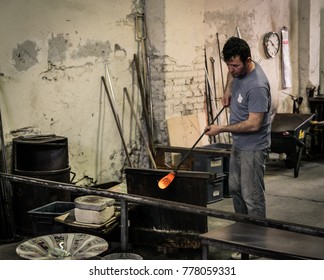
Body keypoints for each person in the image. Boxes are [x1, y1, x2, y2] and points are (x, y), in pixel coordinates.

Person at [205, 36, 271, 220]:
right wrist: (228, 90)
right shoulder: (238, 71)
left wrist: (221, 129)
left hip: (254, 147)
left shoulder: (257, 86)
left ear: (248, 60)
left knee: (252, 197)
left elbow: (254, 123)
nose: (231, 70)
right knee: (235, 190)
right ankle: (243, 239)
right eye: (228, 65)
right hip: (239, 144)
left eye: (235, 66)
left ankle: (257, 243)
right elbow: (231, 74)